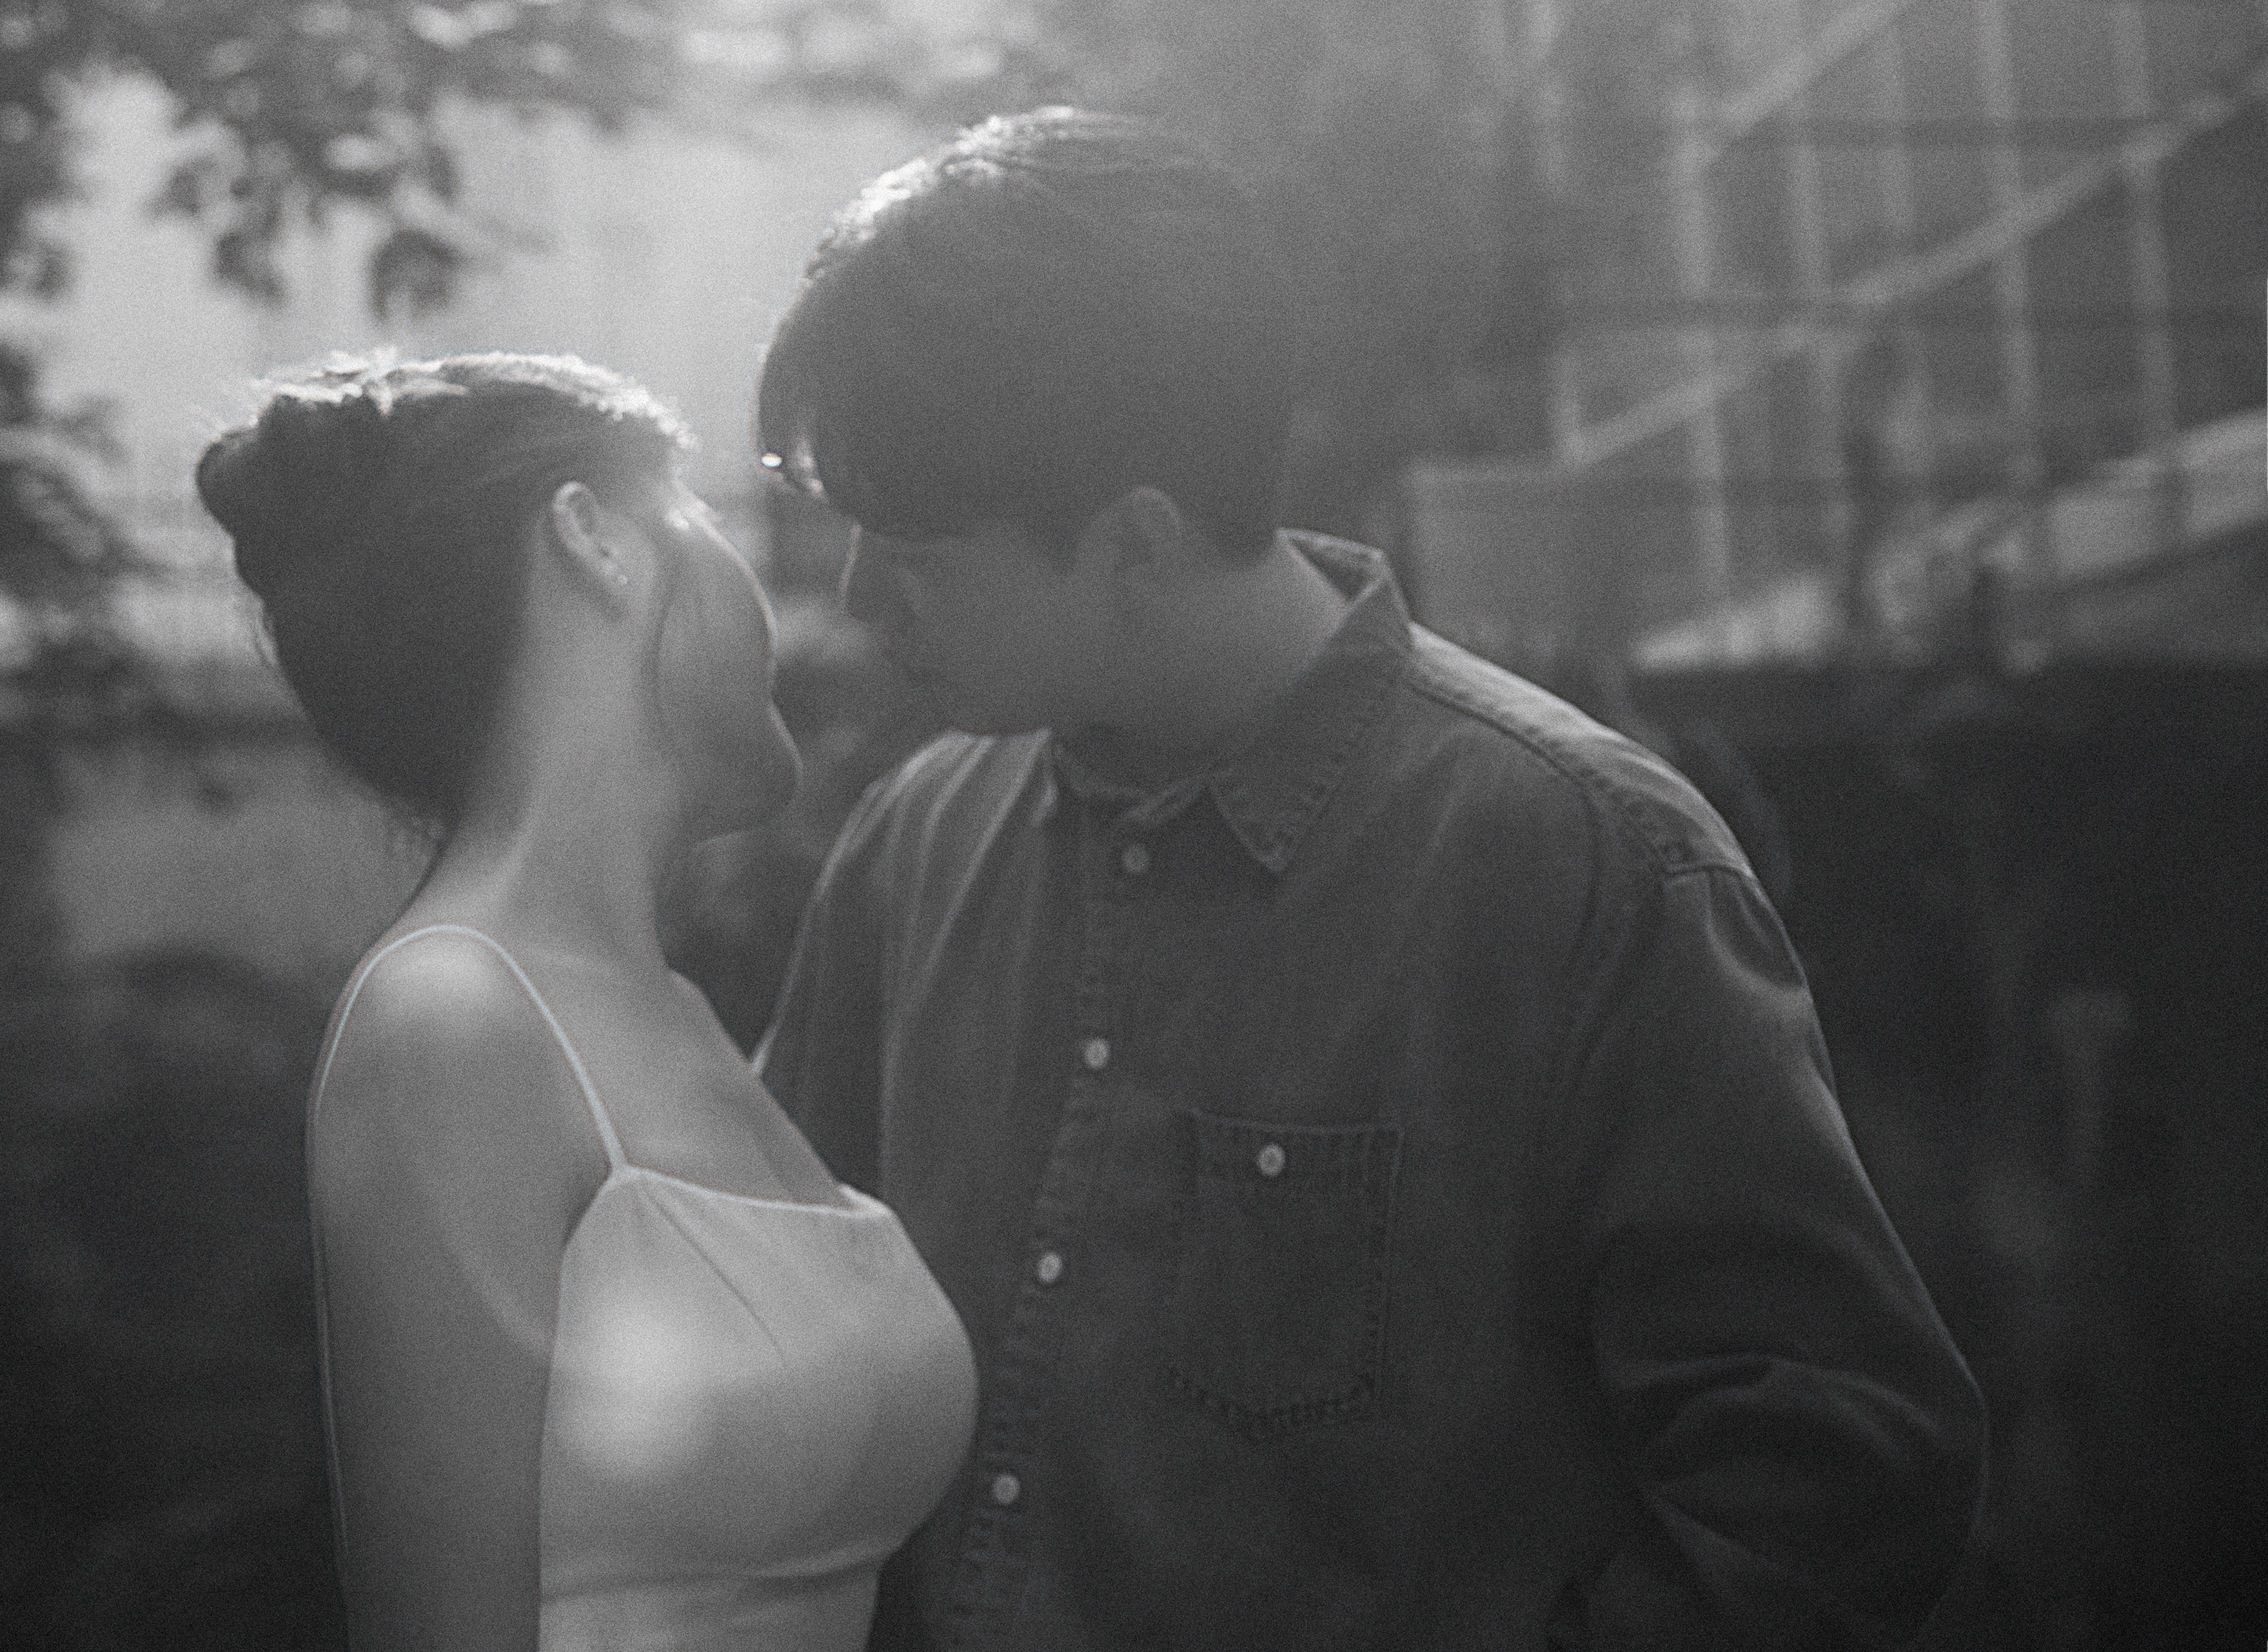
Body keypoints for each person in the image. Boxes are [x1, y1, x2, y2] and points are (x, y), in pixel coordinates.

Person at [752, 111, 1986, 1651]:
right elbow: (780, 1322)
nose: (860, 596)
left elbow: (1834, 1468)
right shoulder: (916, 846)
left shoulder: (1577, 867)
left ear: (1134, 544)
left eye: (917, 551)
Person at [195, 353, 977, 1651]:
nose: (774, 595)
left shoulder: (679, 1019)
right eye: (700, 512)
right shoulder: (451, 1025)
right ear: (594, 540)